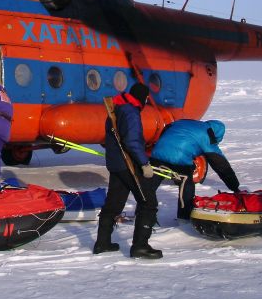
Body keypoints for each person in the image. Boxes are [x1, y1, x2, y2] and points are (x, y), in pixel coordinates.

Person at [94, 82, 163, 259]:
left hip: (116, 164)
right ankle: (140, 246)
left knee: (114, 203)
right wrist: (144, 163)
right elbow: (132, 141)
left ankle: (102, 243)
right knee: (148, 202)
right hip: (128, 165)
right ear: (142, 97)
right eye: (147, 97)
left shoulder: (118, 109)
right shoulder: (131, 112)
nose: (147, 100)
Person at [149, 119, 240, 220]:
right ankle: (184, 218)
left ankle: (143, 214)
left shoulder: (187, 122)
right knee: (186, 184)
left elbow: (167, 128)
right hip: (179, 160)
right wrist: (234, 186)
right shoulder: (207, 135)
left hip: (156, 154)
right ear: (216, 134)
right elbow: (220, 165)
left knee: (149, 186)